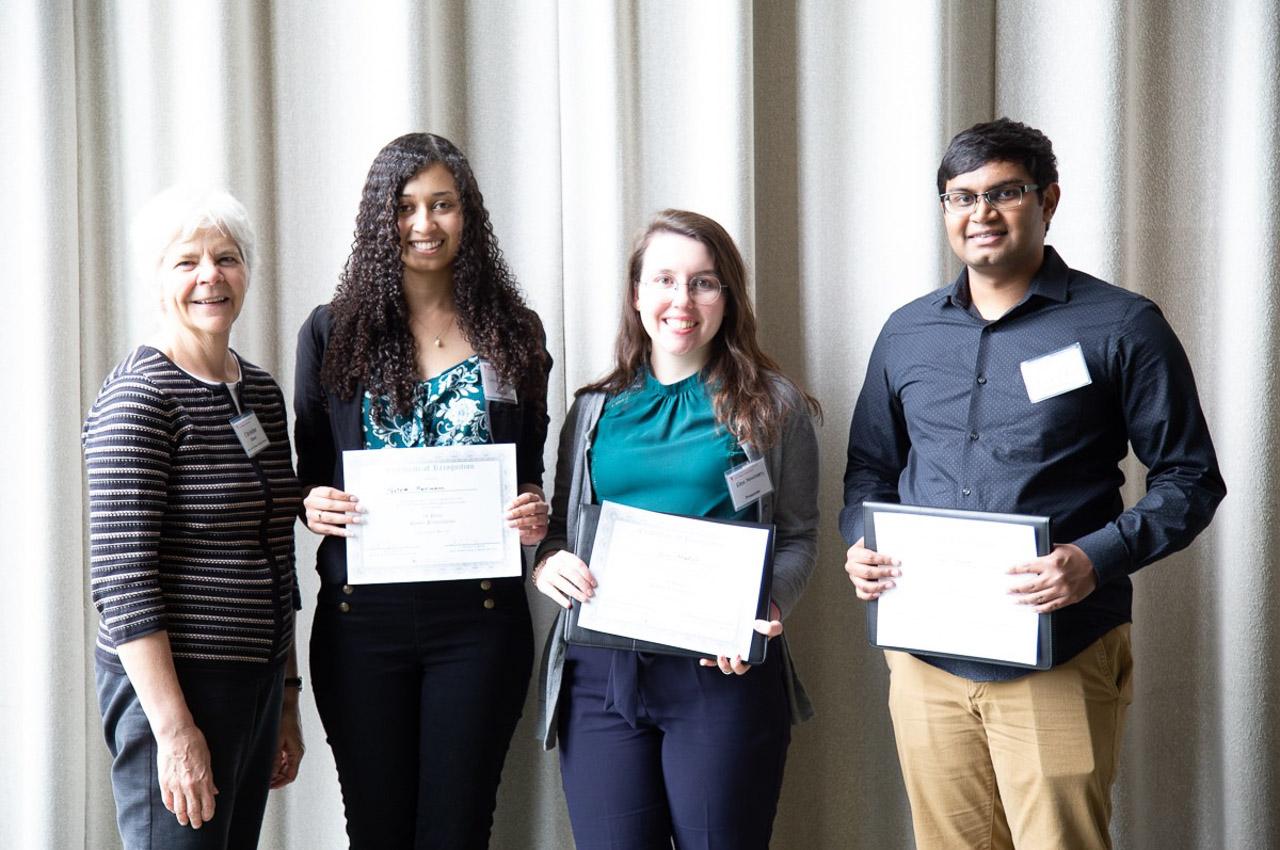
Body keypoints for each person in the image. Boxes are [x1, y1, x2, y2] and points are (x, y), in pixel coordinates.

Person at [841, 118, 1226, 849]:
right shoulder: (905, 332)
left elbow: (1190, 479)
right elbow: (869, 469)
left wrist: (1096, 559)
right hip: (926, 660)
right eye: (959, 197)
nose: (979, 214)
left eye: (1003, 192)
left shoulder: (1123, 325)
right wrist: (863, 540)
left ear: (1048, 200)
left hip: (1060, 651)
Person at [293, 132, 552, 848]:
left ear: (468, 215)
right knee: (376, 831)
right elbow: (309, 463)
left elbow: (530, 465)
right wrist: (311, 502)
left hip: (479, 621)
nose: (424, 223)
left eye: (442, 204)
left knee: (457, 831)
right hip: (360, 623)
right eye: (405, 206)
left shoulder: (514, 333)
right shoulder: (331, 332)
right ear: (381, 219)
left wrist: (533, 507)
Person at [532, 209, 820, 850]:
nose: (681, 301)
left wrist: (765, 604)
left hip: (721, 673)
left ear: (728, 297)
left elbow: (800, 535)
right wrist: (548, 563)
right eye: (663, 280)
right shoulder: (591, 410)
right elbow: (557, 530)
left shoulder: (772, 406)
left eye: (703, 282)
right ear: (637, 296)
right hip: (599, 676)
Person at [83, 186, 305, 849]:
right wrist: (175, 733)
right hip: (175, 690)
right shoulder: (140, 397)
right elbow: (124, 586)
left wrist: (287, 697)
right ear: (157, 280)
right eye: (187, 261)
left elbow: (277, 551)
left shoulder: (259, 392)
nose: (211, 275)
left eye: (227, 258)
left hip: (256, 681)